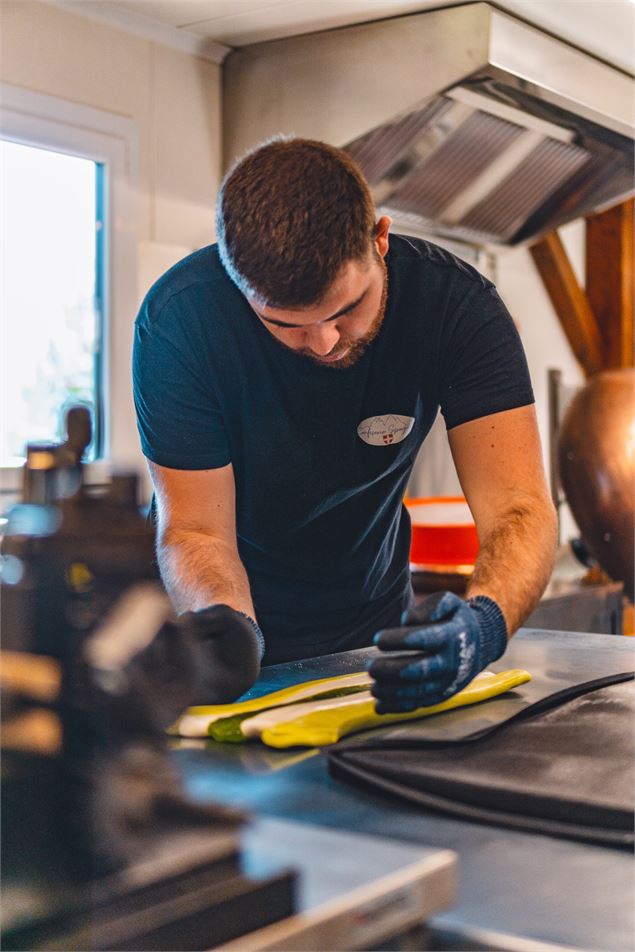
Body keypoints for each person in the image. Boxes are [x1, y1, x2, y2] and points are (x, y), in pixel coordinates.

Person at [133, 137, 557, 712]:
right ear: (238, 286)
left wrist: (482, 626)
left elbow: (521, 507)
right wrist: (233, 634)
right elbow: (196, 531)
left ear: (380, 240)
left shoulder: (457, 308)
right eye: (286, 325)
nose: (325, 343)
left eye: (345, 310)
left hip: (369, 637)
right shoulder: (180, 323)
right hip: (219, 632)